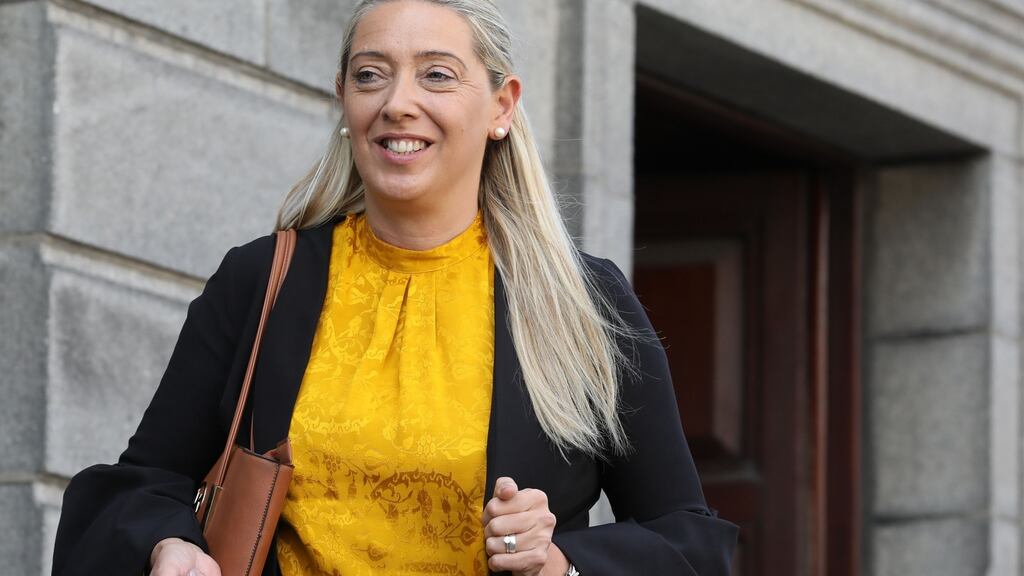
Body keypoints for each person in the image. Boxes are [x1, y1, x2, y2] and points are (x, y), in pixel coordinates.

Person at [52, 0, 738, 574]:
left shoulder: (581, 300)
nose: (397, 103)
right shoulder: (263, 279)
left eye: (437, 75)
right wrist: (169, 544)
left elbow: (693, 543)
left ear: (502, 105)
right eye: (370, 75)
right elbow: (138, 487)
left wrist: (561, 561)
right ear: (344, 100)